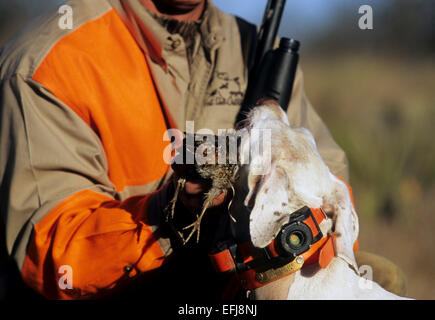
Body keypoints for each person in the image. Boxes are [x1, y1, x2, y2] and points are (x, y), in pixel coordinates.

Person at [0, 0, 406, 299]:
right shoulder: (49, 62)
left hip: (232, 280)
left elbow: (330, 179)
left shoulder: (253, 50)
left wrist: (294, 236)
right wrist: (169, 215)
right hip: (119, 292)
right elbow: (54, 253)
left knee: (381, 278)